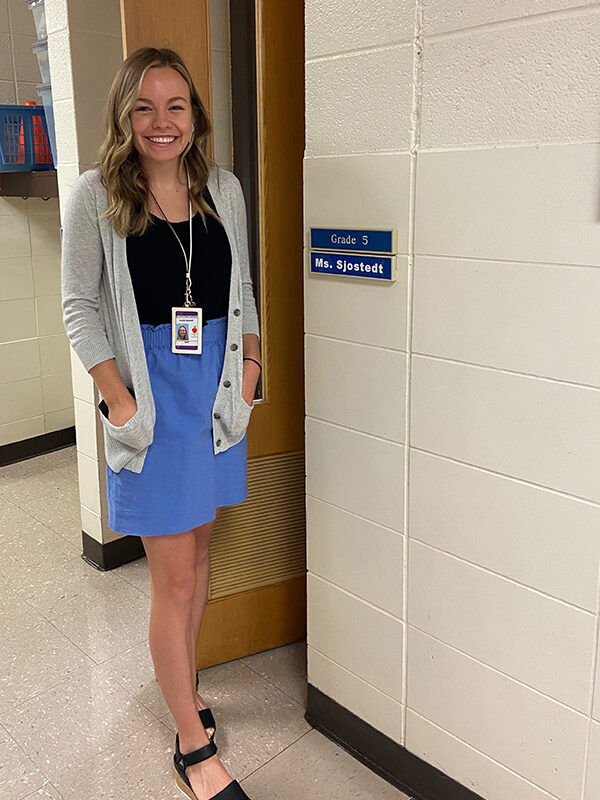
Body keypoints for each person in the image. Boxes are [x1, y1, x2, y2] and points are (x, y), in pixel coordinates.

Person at [61, 47, 261, 800]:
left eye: (175, 106)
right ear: (124, 116)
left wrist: (249, 366)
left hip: (213, 397)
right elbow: (80, 306)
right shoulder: (96, 197)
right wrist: (119, 400)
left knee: (201, 558)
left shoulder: (225, 191)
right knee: (172, 579)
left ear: (194, 117)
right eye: (144, 107)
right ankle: (190, 741)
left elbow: (241, 285)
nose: (160, 122)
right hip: (150, 397)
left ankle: (187, 694)